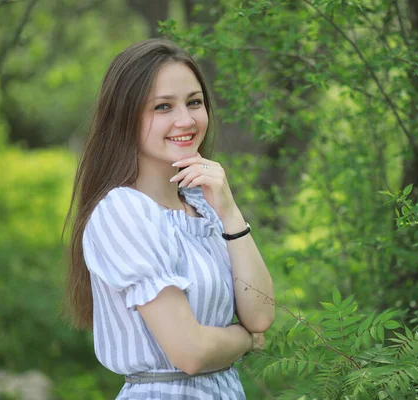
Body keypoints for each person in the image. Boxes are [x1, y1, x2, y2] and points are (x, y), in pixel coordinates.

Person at [63, 38, 275, 399]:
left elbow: (261, 315)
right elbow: (191, 353)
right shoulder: (123, 212)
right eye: (163, 107)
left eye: (194, 102)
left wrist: (229, 210)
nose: (186, 120)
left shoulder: (203, 204)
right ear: (124, 118)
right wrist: (245, 339)